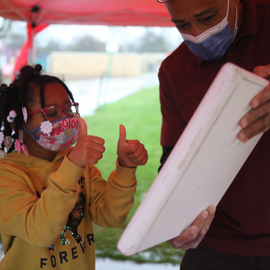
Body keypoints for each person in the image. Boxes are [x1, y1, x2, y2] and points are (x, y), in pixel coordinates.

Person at [0, 64, 148, 270]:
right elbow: (39, 232)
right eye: (51, 113)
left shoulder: (77, 164)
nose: (65, 119)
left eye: (68, 110)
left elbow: (111, 215)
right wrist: (73, 166)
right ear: (19, 122)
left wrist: (125, 167)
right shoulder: (7, 174)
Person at [157, 0, 270, 268]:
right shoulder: (174, 70)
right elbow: (173, 162)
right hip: (216, 244)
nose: (197, 34)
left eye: (208, 18)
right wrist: (173, 220)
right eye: (182, 25)